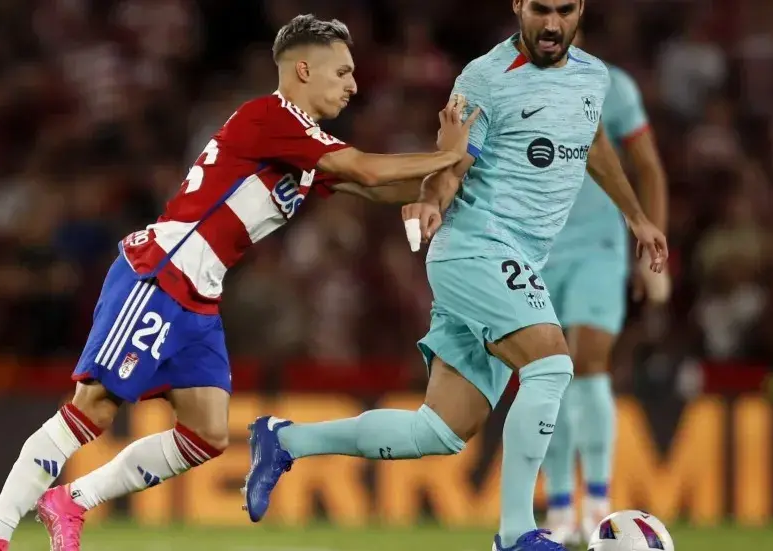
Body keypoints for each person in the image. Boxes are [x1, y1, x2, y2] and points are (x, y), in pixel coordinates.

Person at [0, 14, 476, 551]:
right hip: (161, 274)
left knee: (206, 434)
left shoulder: (305, 147)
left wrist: (450, 175)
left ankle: (72, 501)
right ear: (303, 69)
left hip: (201, 296)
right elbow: (369, 171)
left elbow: (376, 192)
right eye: (343, 71)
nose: (353, 84)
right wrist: (449, 152)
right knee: (91, 408)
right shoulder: (271, 117)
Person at [242, 2, 668, 551]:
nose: (553, 23)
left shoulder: (593, 77)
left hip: (513, 259)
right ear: (519, 5)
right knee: (552, 364)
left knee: (439, 431)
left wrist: (635, 215)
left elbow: (595, 145)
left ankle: (284, 440)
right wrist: (432, 200)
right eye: (541, 9)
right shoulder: (485, 79)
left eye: (565, 9)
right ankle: (517, 534)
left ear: (581, 8)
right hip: (477, 247)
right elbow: (453, 161)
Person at [538, 26, 670, 546]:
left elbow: (649, 169)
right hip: (535, 251)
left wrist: (654, 257)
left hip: (599, 249)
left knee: (589, 360)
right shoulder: (505, 84)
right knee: (547, 375)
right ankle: (561, 510)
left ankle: (597, 502)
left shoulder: (614, 88)